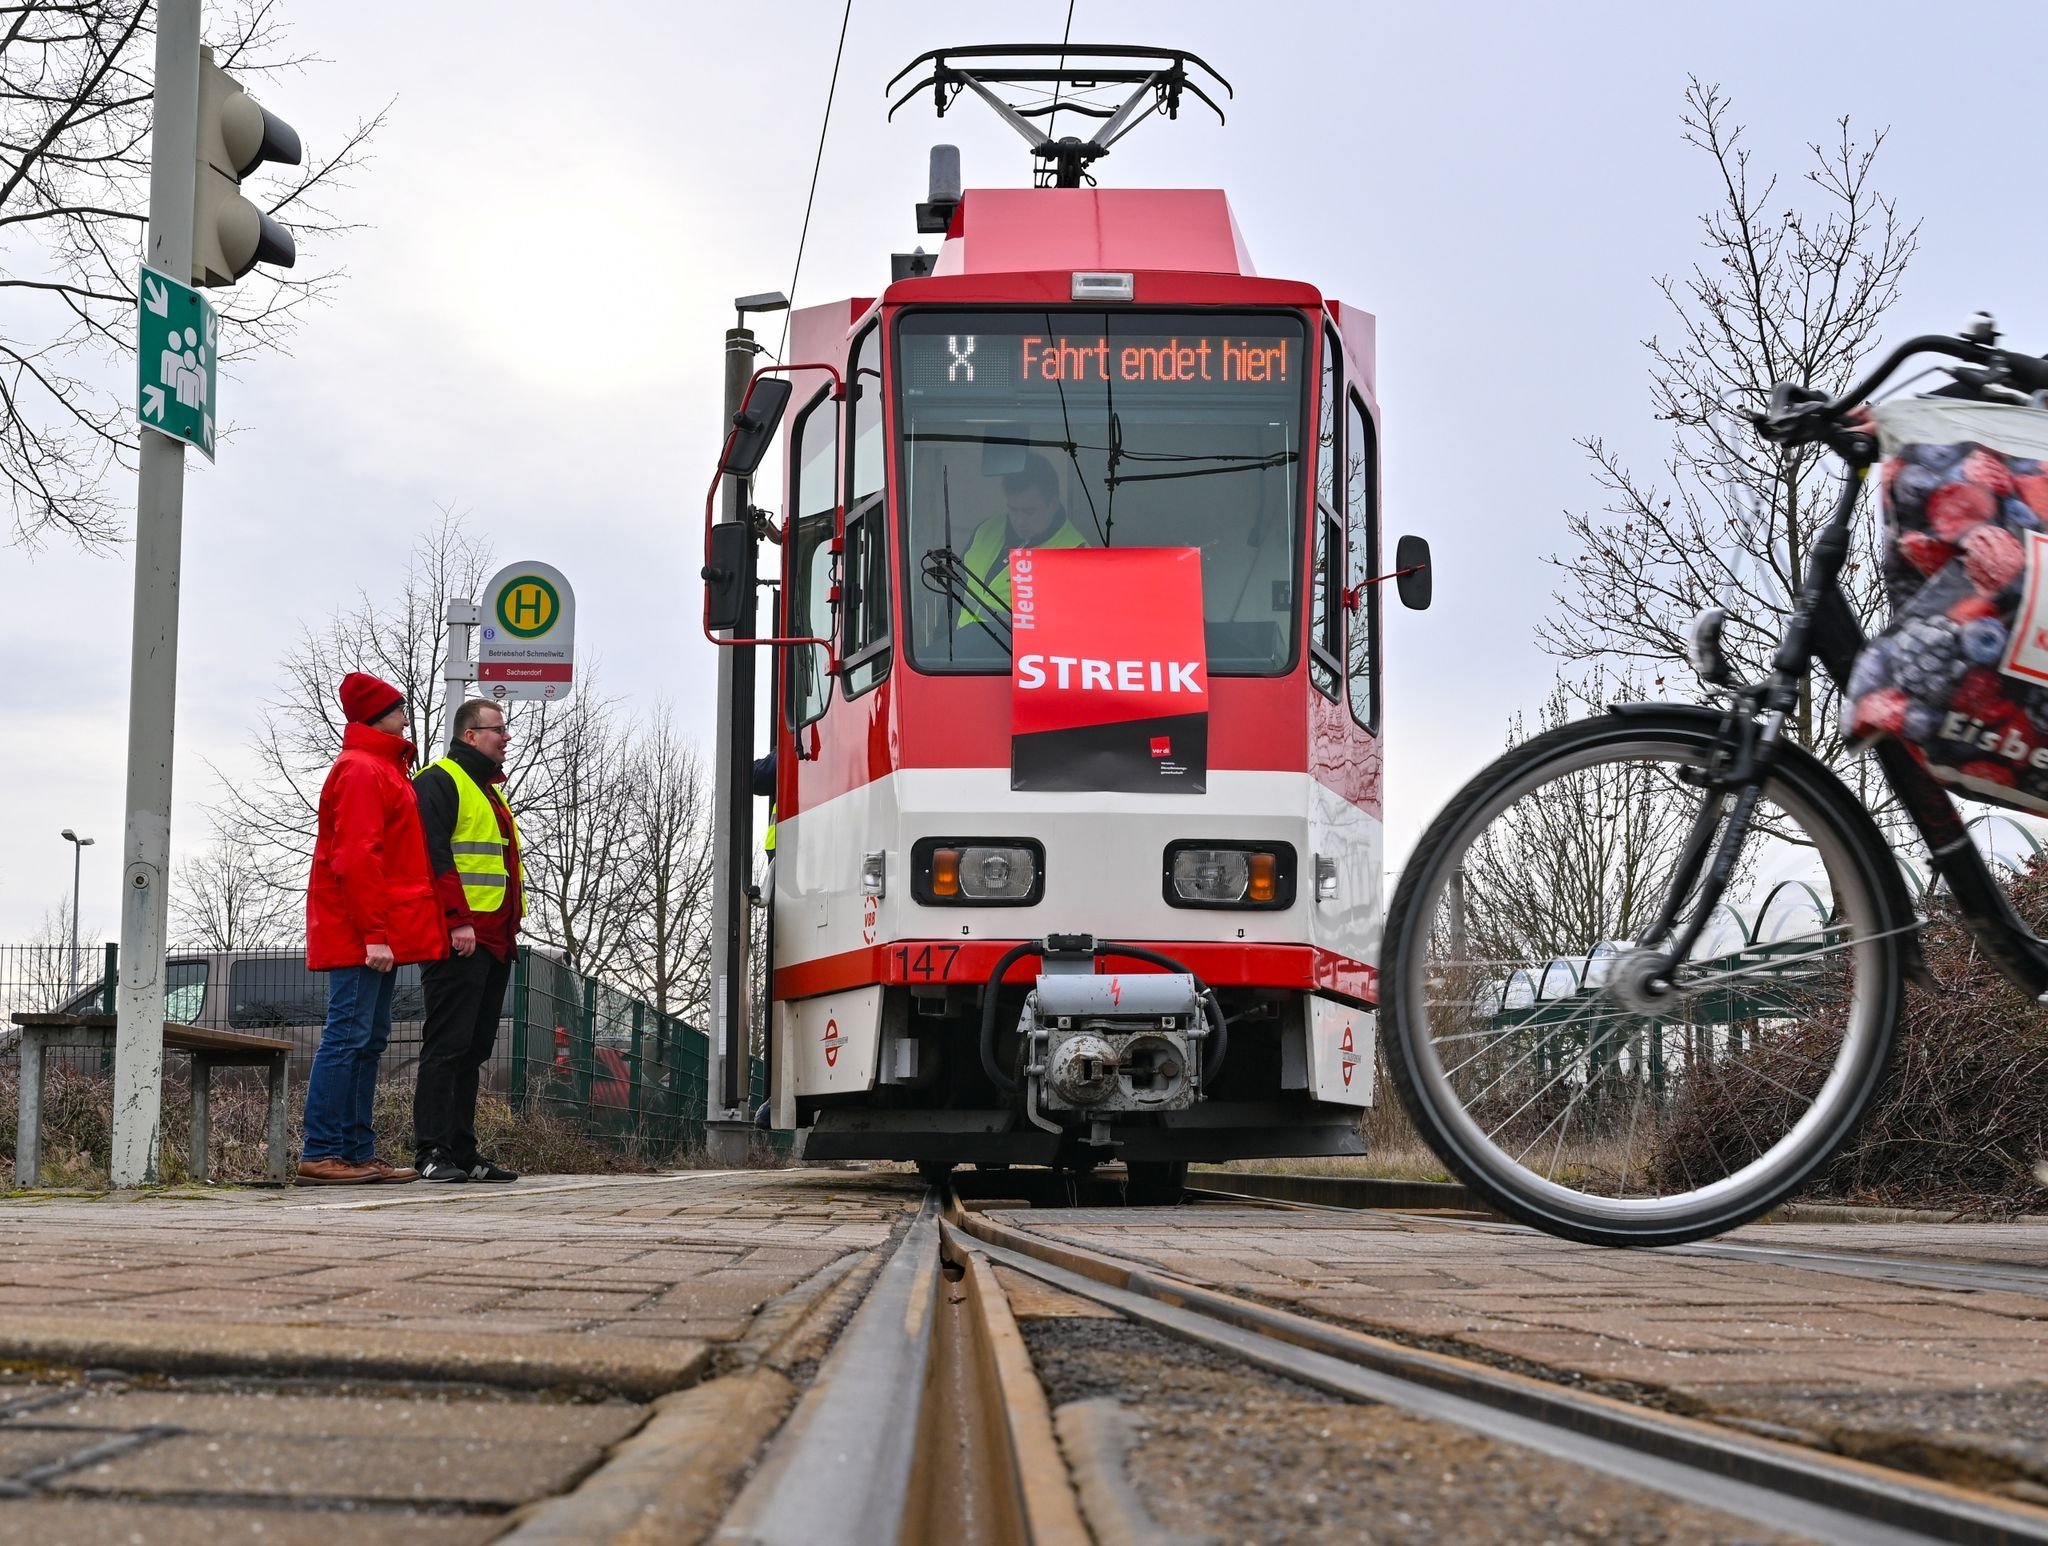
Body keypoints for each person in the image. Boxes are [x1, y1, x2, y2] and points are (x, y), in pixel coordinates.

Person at [301, 672, 445, 1185]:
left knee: (366, 1039)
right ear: (375, 714)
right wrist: (374, 934)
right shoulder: (363, 770)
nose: (406, 715)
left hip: (370, 930)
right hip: (359, 933)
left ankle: (357, 1153)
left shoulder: (380, 768)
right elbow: (357, 858)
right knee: (347, 1038)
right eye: (398, 707)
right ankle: (321, 1152)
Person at [411, 698, 525, 1183]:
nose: (506, 737)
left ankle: (462, 1151)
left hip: (494, 941)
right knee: (447, 1046)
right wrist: (458, 921)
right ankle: (431, 1151)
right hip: (460, 939)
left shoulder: (489, 792)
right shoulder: (439, 782)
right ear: (469, 735)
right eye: (497, 729)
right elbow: (432, 857)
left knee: (474, 1049)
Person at [956, 452, 1089, 631]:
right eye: (1013, 509)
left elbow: (1068, 630)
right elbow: (955, 591)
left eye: (1029, 512)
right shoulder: (986, 530)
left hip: (1013, 657)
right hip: (958, 653)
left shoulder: (1076, 554)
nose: (1019, 520)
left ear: (1053, 504)